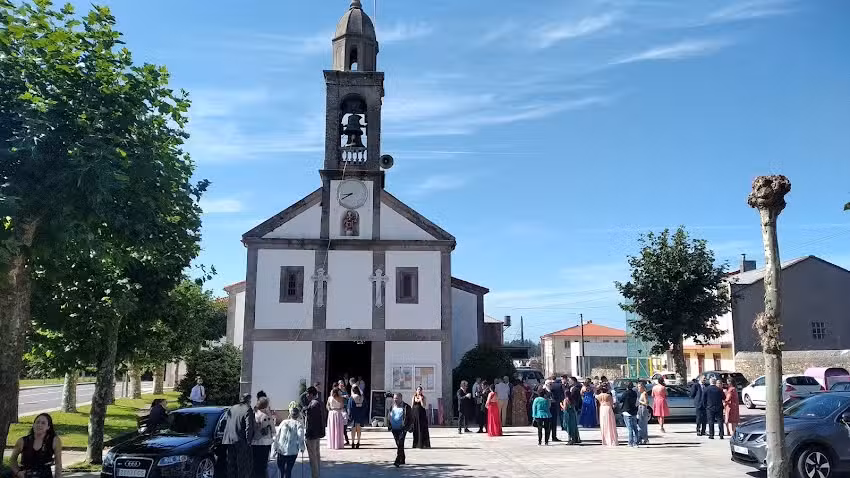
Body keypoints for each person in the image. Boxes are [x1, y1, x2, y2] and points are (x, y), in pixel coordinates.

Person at [8, 413, 62, 478]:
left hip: (45, 475)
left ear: (48, 427)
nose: (39, 425)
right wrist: (18, 473)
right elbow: (12, 460)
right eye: (37, 422)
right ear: (33, 425)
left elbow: (58, 463)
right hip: (26, 474)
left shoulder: (54, 440)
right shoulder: (22, 441)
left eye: (43, 423)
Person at [223, 393, 256, 478]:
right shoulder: (248, 409)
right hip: (241, 441)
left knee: (231, 464)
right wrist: (249, 441)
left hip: (229, 439)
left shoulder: (232, 408)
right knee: (242, 465)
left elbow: (227, 422)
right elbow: (249, 427)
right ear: (248, 400)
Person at [274, 405, 305, 478]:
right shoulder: (299, 424)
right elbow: (300, 436)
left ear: (290, 414)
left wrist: (275, 446)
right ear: (298, 415)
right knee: (288, 469)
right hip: (293, 450)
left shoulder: (284, 422)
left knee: (281, 468)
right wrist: (302, 447)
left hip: (281, 449)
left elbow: (277, 434)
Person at [386, 393, 413, 468]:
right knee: (398, 444)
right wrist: (389, 425)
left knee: (400, 443)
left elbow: (411, 419)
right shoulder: (392, 406)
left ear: (401, 398)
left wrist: (407, 428)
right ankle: (403, 458)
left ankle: (397, 460)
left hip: (402, 429)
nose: (395, 400)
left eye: (397, 398)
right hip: (394, 429)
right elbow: (389, 416)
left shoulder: (406, 407)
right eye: (394, 398)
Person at [252, 397, 276, 478]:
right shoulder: (265, 416)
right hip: (264, 443)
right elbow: (272, 429)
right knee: (263, 465)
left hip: (254, 442)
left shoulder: (254, 414)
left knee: (256, 465)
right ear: (265, 405)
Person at [303, 387, 324, 478]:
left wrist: (308, 434)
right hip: (316, 433)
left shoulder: (313, 405)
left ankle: (315, 476)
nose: (306, 395)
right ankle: (317, 475)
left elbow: (312, 422)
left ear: (311, 394)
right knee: (316, 455)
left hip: (312, 434)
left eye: (307, 394)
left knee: (313, 458)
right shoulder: (318, 402)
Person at [562, 377, 581, 444]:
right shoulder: (571, 399)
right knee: (573, 426)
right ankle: (575, 438)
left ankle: (571, 439)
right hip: (572, 412)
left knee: (568, 426)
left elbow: (565, 408)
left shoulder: (566, 399)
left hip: (568, 413)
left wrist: (561, 405)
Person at [620, 381, 639, 447]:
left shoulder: (625, 393)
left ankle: (630, 442)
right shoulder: (634, 393)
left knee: (630, 428)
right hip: (633, 411)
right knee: (635, 428)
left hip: (627, 412)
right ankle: (636, 442)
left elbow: (621, 400)